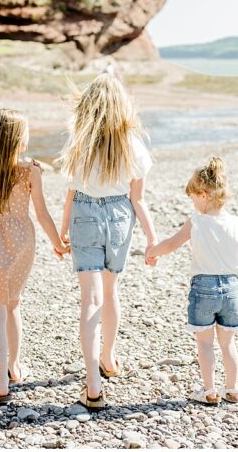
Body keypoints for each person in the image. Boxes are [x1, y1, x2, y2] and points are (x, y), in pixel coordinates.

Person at [58, 72, 157, 410]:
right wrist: (153, 238)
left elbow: (71, 192)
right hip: (118, 215)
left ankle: (93, 383)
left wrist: (62, 228)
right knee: (111, 292)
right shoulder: (132, 144)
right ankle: (109, 358)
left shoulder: (79, 140)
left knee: (89, 299)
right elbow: (138, 198)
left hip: (84, 212)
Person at [0, 109, 68, 404]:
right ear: (15, 139)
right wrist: (57, 243)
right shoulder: (30, 170)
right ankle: (13, 368)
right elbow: (42, 213)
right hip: (22, 241)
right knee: (13, 305)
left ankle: (0, 383)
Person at [146, 156, 238, 405]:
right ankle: (233, 388)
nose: (192, 204)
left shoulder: (197, 221)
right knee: (227, 344)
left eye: (193, 198)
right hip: (232, 288)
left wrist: (152, 252)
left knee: (205, 343)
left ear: (203, 194)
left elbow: (172, 243)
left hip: (204, 289)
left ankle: (210, 390)